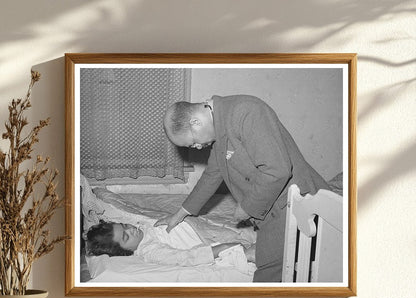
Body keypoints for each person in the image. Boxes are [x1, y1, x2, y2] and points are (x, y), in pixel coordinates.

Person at [156, 95, 330, 282]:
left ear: (195, 122)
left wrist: (247, 208)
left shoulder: (246, 112)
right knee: (266, 267)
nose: (197, 148)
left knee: (266, 277)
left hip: (297, 205)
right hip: (275, 209)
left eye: (193, 143)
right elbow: (212, 175)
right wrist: (179, 214)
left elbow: (277, 170)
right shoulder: (220, 130)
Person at [86, 220, 255, 267]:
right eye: (126, 237)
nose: (131, 230)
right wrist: (222, 248)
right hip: (210, 239)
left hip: (204, 225)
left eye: (125, 226)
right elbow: (185, 258)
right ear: (125, 250)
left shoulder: (141, 229)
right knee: (253, 239)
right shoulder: (150, 250)